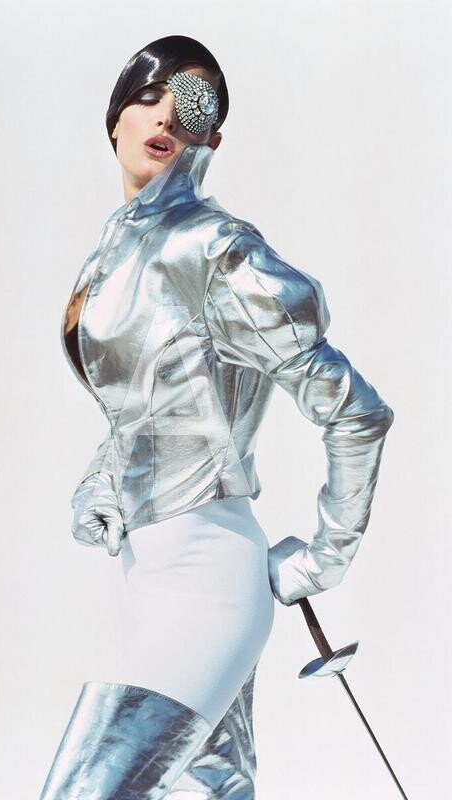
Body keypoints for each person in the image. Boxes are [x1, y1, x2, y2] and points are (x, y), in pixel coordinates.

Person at [39, 35, 395, 800]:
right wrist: (102, 485)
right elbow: (144, 413)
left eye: (194, 105)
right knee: (214, 790)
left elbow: (356, 412)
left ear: (213, 138)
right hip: (148, 577)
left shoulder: (215, 248)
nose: (167, 115)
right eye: (149, 96)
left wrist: (326, 554)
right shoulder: (112, 253)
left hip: (208, 583)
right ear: (114, 119)